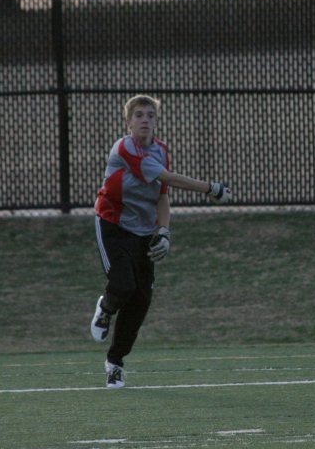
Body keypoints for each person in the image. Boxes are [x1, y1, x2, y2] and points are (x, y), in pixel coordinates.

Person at [90, 95, 231, 389]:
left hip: (143, 231)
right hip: (113, 224)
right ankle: (106, 308)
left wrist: (164, 231)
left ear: (156, 121)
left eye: (150, 115)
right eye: (138, 115)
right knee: (123, 284)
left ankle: (114, 363)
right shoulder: (125, 148)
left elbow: (162, 194)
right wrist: (210, 188)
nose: (145, 120)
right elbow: (167, 177)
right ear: (128, 122)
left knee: (141, 301)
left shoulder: (162, 150)